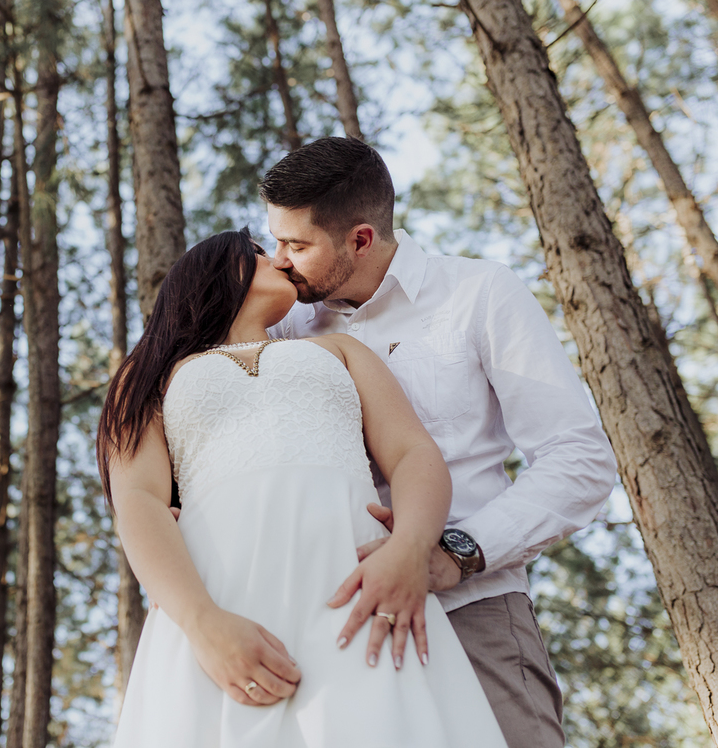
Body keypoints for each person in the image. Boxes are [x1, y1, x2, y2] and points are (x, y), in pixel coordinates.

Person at [262, 137, 618, 748]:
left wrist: (454, 552)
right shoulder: (284, 325)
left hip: (471, 612)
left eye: (297, 245)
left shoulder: (478, 293)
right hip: (329, 627)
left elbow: (579, 458)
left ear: (361, 239)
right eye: (276, 240)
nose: (280, 259)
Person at [99, 228, 508, 747]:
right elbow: (138, 500)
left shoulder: (340, 349)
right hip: (220, 597)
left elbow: (413, 454)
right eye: (260, 254)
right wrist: (202, 623)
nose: (282, 261)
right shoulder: (148, 377)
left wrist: (409, 548)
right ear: (217, 273)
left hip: (358, 583)